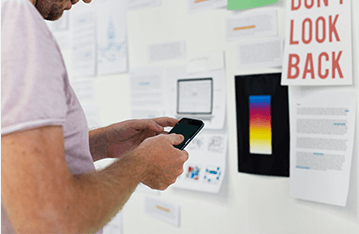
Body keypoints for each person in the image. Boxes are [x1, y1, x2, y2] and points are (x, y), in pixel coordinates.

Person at [1, 0, 189, 233]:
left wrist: (98, 143)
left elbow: (13, 163)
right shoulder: (16, 20)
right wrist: (140, 165)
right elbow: (51, 223)